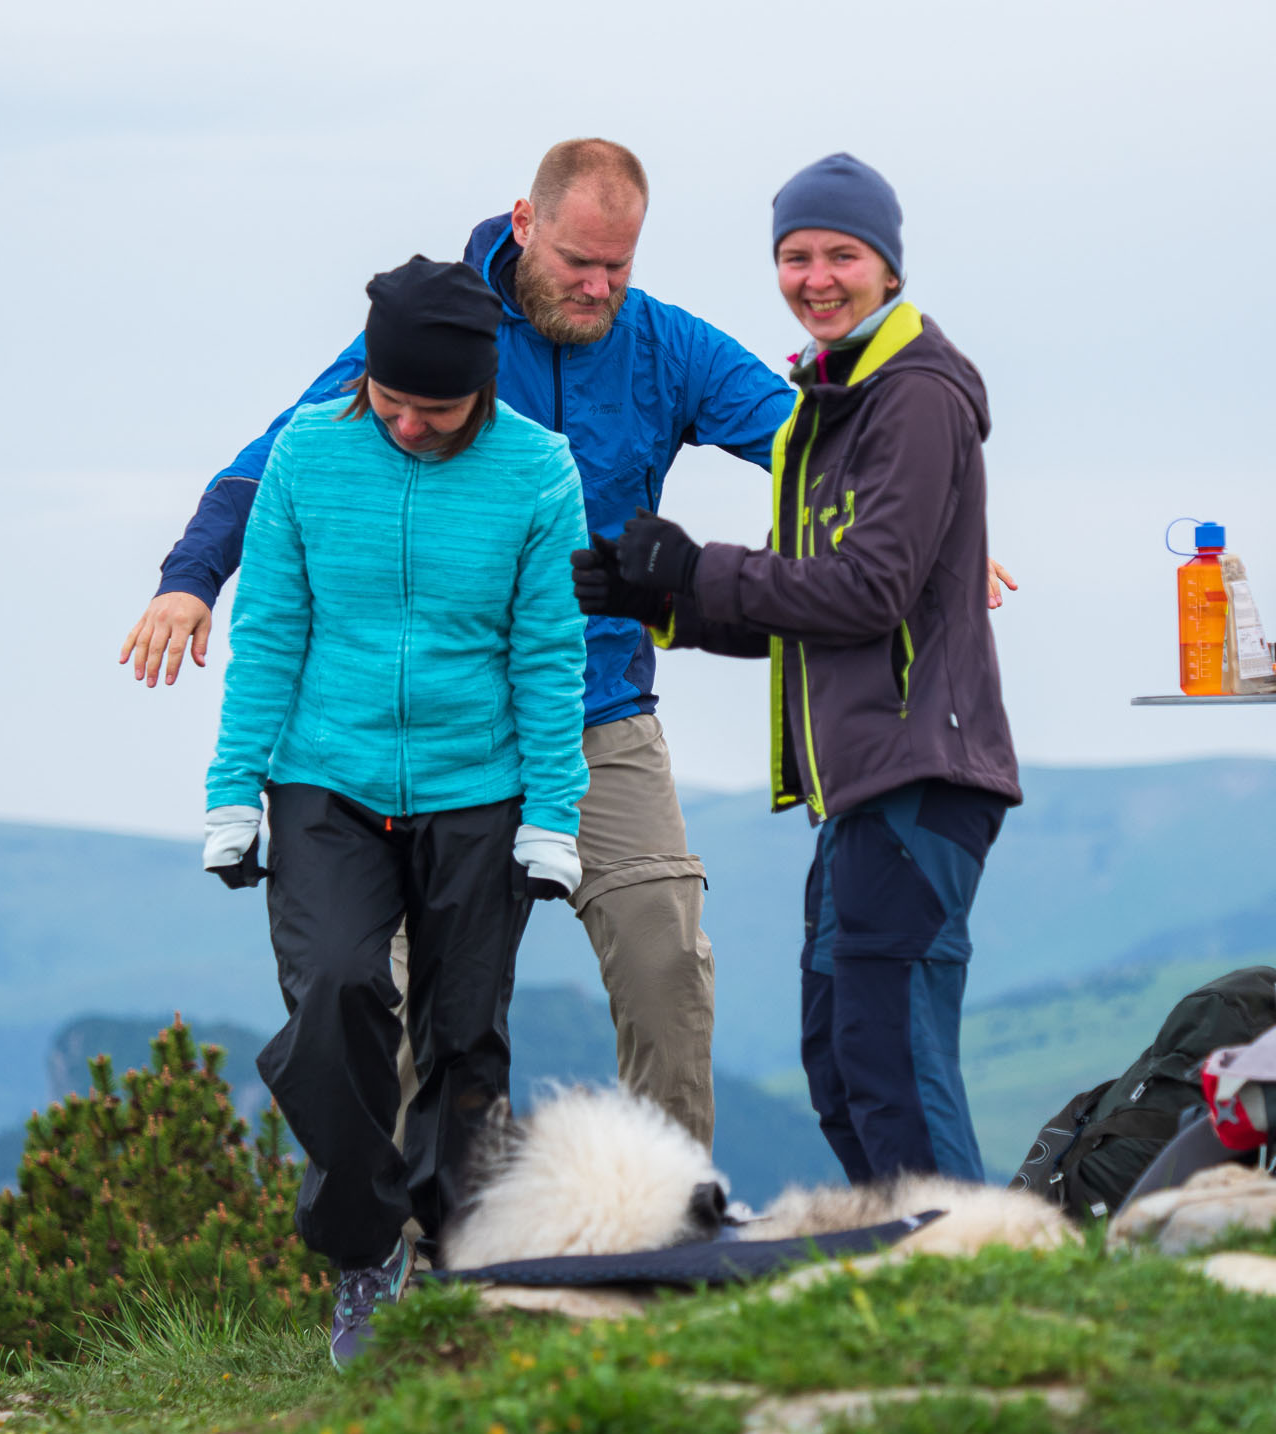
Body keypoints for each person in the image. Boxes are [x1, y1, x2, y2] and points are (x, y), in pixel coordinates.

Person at [123, 139, 797, 1152]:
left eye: (619, 265)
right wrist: (188, 582)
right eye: (579, 262)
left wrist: (923, 532)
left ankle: (670, 1239)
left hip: (597, 710)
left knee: (664, 955)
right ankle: (412, 1263)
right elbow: (273, 463)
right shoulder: (432, 337)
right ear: (524, 222)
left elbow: (807, 442)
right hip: (441, 738)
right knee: (402, 998)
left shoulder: (666, 346)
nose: (599, 286)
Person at [573, 152, 1021, 1184]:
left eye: (840, 255)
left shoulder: (910, 396)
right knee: (844, 1060)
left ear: (887, 268)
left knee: (893, 1067)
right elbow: (813, 605)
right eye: (793, 256)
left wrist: (700, 566)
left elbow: (868, 590)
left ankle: (966, 1287)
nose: (814, 276)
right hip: (864, 781)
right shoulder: (841, 398)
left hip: (920, 772)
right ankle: (910, 1281)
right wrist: (666, 602)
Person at [204, 256, 588, 1366]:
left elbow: (548, 652)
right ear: (364, 379)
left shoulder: (537, 471)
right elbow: (269, 632)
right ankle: (367, 1246)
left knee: (465, 1039)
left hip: (481, 784)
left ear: (482, 390)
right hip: (327, 776)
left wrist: (551, 817)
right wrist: (235, 791)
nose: (411, 427)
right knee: (335, 989)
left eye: (439, 408)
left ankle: (459, 1262)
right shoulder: (306, 458)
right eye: (392, 402)